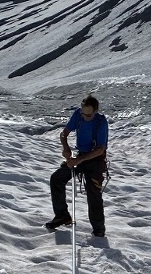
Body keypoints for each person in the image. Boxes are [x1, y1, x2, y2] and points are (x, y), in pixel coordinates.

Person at [45, 94, 109, 237]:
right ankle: (62, 215)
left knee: (93, 192)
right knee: (57, 178)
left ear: (95, 111)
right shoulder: (78, 115)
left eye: (89, 114)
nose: (85, 116)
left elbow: (100, 150)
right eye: (83, 113)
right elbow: (64, 133)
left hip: (95, 159)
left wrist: (78, 160)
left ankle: (99, 229)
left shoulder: (101, 122)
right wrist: (66, 148)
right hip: (80, 156)